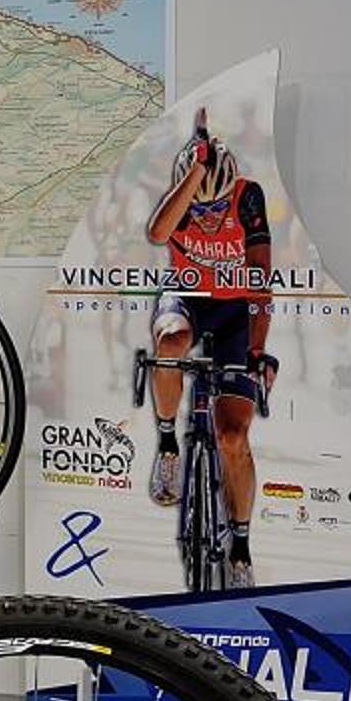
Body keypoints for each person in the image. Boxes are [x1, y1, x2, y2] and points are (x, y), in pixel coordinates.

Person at [142, 109, 278, 586]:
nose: (209, 216)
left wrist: (257, 354)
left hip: (235, 310)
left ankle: (240, 547)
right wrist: (197, 173)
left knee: (233, 436)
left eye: (216, 206)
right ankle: (167, 445)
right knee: (170, 341)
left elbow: (260, 285)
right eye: (200, 209)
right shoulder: (183, 198)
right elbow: (157, 233)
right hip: (189, 298)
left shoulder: (247, 196)